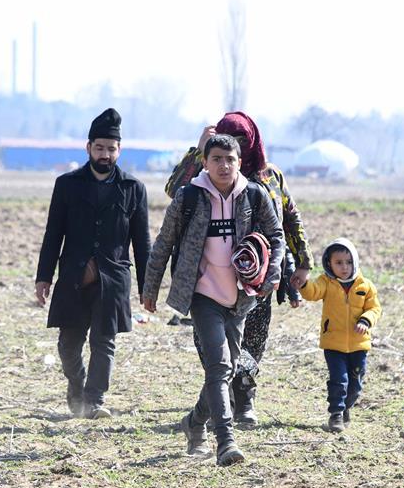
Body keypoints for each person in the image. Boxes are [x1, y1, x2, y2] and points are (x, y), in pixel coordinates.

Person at [143, 134, 284, 466]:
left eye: (230, 159)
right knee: (219, 366)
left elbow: (276, 235)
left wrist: (273, 272)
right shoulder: (189, 196)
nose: (224, 165)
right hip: (203, 294)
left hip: (240, 296)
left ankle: (194, 423)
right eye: (217, 159)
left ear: (239, 162)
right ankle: (225, 441)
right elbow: (164, 242)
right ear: (205, 162)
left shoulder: (253, 194)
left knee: (228, 369)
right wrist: (150, 289)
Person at [164, 111, 312, 426]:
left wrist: (303, 262)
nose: (236, 150)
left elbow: (289, 220)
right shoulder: (205, 173)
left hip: (255, 278)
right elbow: (173, 190)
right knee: (212, 347)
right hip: (208, 279)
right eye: (231, 141)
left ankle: (243, 400)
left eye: (243, 141)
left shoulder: (270, 176)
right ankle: (220, 403)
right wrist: (198, 151)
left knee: (252, 343)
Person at [35, 108, 151, 420]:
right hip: (73, 276)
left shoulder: (133, 189)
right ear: (88, 148)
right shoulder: (67, 185)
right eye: (99, 148)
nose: (105, 154)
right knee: (68, 345)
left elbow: (142, 243)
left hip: (112, 280)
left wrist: (147, 287)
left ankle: (94, 401)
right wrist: (43, 276)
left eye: (111, 149)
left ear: (119, 150)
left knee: (104, 342)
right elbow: (53, 233)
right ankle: (77, 386)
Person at [299, 239, 381, 432]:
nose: (344, 267)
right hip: (333, 344)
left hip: (359, 345)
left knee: (356, 384)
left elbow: (375, 308)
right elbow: (313, 292)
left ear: (355, 262)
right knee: (339, 380)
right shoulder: (326, 282)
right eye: (339, 262)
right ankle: (335, 414)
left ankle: (346, 407)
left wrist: (365, 320)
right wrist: (302, 284)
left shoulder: (365, 285)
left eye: (348, 262)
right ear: (329, 263)